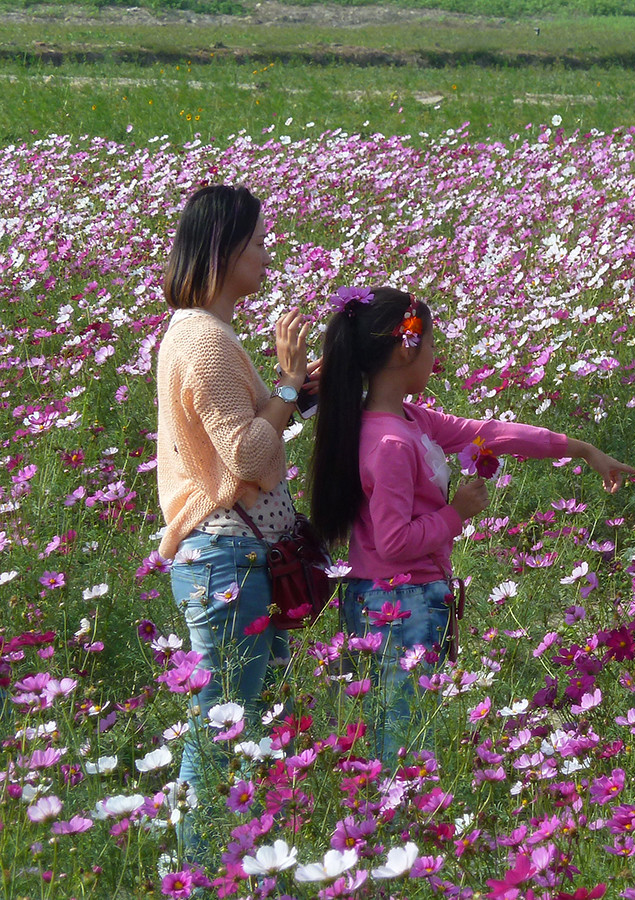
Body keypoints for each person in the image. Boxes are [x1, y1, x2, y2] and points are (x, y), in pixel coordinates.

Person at [308, 287, 635, 762]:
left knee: (403, 732)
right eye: (433, 345)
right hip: (398, 605)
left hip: (398, 599)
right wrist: (456, 512)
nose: (437, 357)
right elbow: (394, 542)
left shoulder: (403, 419)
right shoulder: (391, 443)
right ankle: (399, 831)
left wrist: (582, 449)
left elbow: (492, 433)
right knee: (406, 743)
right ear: (406, 347)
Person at [155, 185, 315, 865]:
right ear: (222, 251)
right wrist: (283, 387)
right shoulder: (205, 339)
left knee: (239, 721)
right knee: (220, 724)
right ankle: (195, 872)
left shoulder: (209, 334)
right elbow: (248, 453)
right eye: (255, 243)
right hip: (224, 559)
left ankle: (225, 862)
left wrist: (297, 389)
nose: (266, 253)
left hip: (235, 558)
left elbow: (257, 434)